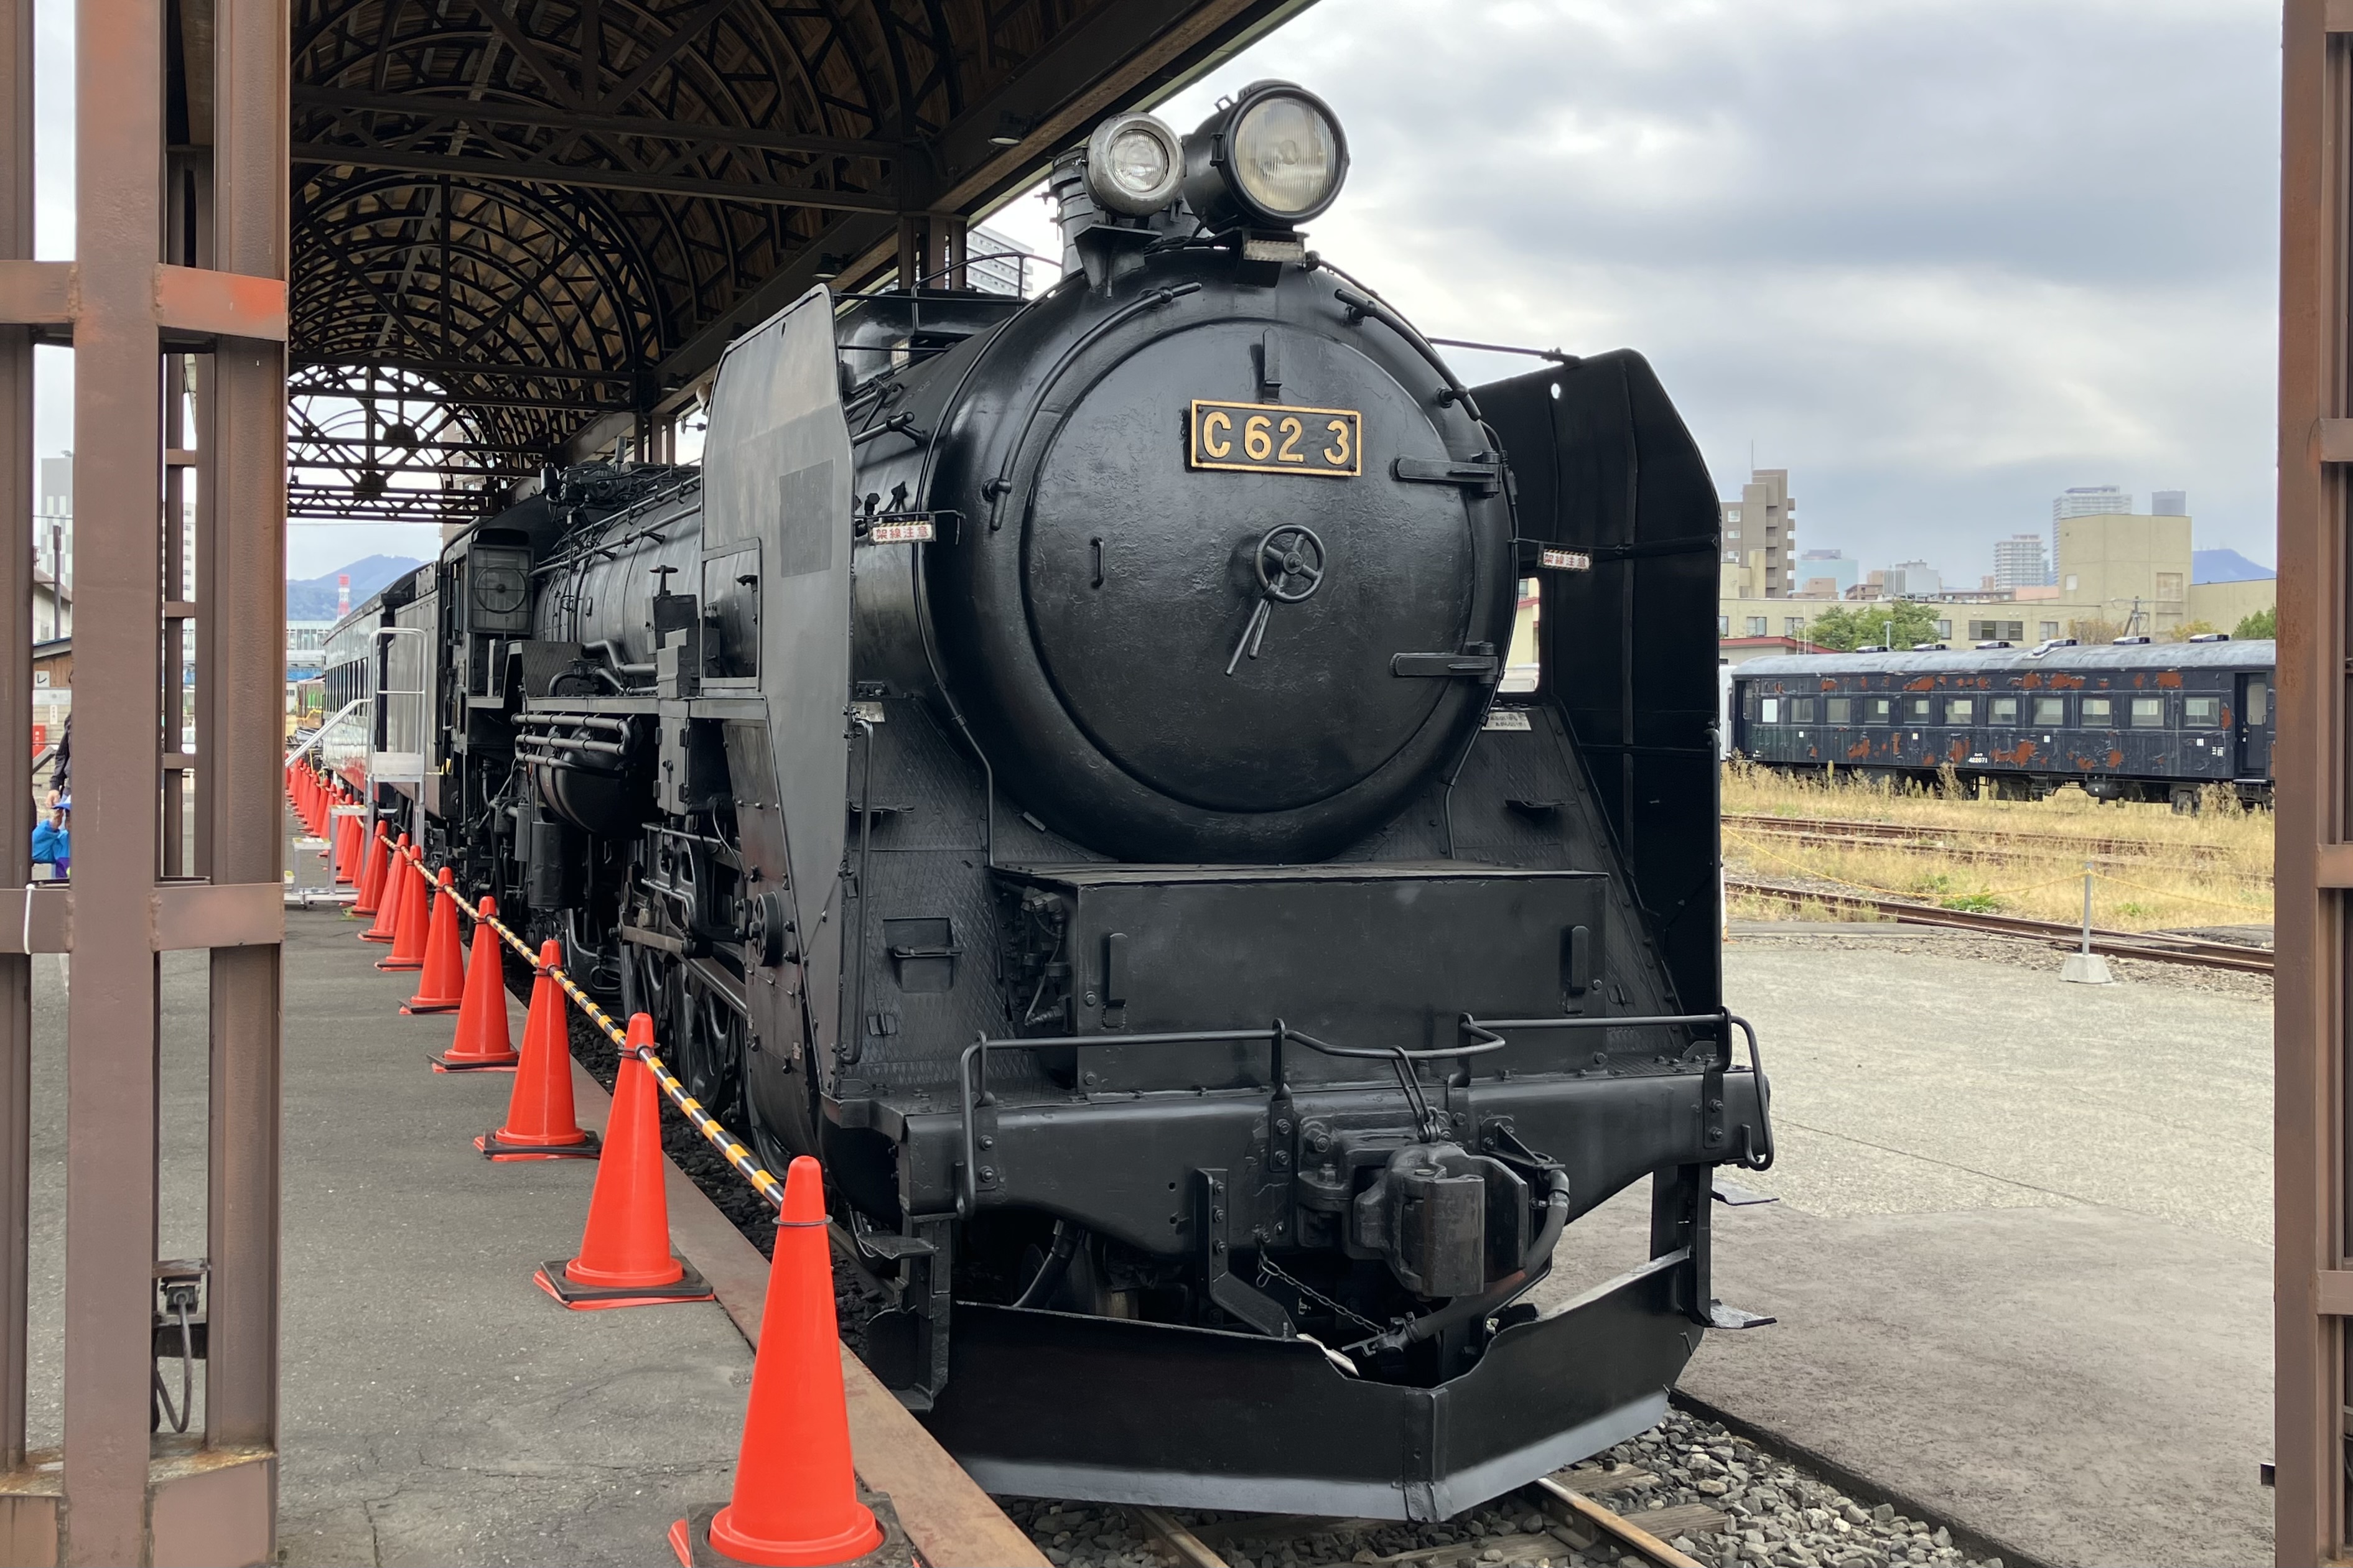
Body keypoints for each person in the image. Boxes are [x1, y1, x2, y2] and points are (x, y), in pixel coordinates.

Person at [31, 797, 67, 881]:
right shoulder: (63, 840)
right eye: (68, 816)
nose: (71, 821)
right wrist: (51, 827)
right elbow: (36, 853)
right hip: (63, 891)